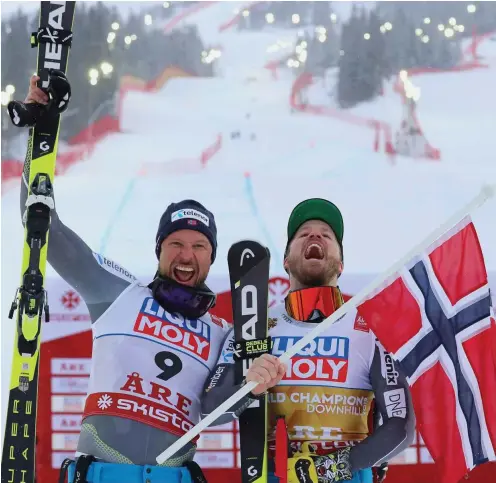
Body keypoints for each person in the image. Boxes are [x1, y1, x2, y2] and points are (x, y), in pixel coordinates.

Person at [17, 73, 285, 483]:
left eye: (199, 247)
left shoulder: (224, 333)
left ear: (211, 258)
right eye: (175, 243)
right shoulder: (117, 293)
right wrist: (43, 131)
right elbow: (44, 230)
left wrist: (251, 383)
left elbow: (215, 406)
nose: (186, 255)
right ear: (158, 250)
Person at [202, 198, 416, 483]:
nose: (315, 236)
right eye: (303, 234)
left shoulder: (370, 332)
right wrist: (247, 389)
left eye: (326, 235)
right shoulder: (254, 327)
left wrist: (331, 468)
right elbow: (210, 409)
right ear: (286, 261)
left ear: (340, 264)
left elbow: (401, 426)